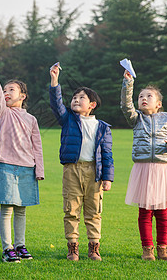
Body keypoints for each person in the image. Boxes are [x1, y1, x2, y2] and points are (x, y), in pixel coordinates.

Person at [49, 64, 114, 261]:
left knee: (94, 212)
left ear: (92, 104)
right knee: (71, 209)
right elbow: (56, 104)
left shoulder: (102, 127)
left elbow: (107, 154)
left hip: (94, 172)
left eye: (81, 98)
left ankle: (94, 247)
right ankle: (72, 247)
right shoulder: (67, 119)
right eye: (74, 98)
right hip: (72, 170)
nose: (76, 100)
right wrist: (54, 81)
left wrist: (107, 178)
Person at [120, 69, 167, 261]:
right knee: (145, 212)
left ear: (159, 104)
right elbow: (125, 105)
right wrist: (128, 84)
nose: (144, 98)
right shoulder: (136, 118)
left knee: (162, 212)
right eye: (141, 96)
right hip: (143, 169)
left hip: (163, 169)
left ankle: (163, 248)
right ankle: (147, 248)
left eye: (149, 96)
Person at [0, 64, 44, 263]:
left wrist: (39, 169)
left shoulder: (31, 119)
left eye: (11, 90)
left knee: (21, 209)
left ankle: (20, 245)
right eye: (5, 89)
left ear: (23, 95)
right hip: (6, 166)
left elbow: (37, 147)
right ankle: (7, 248)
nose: (6, 93)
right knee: (7, 209)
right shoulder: (4, 113)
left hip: (27, 168)